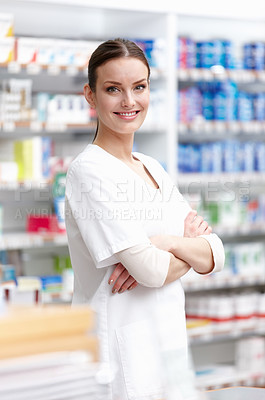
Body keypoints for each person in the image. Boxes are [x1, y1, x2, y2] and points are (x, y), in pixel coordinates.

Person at [65, 38, 225, 400]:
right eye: (112, 89)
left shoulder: (152, 167)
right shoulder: (89, 172)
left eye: (139, 87)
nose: (129, 101)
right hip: (123, 354)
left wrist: (163, 244)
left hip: (170, 343)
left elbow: (215, 253)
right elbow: (152, 271)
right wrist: (185, 249)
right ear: (90, 96)